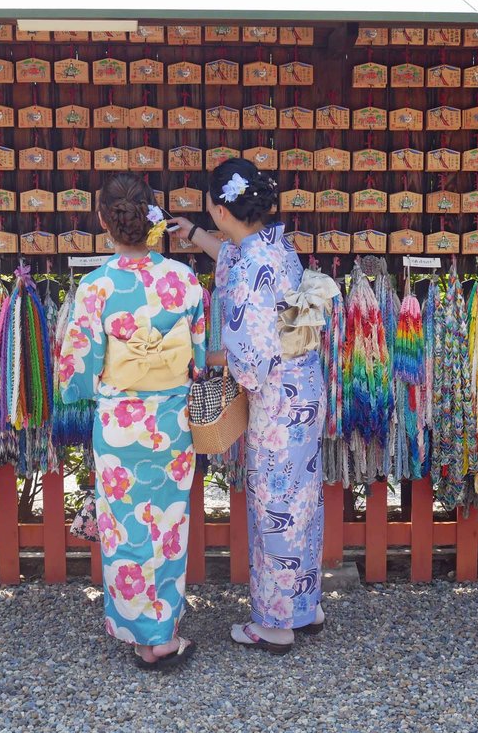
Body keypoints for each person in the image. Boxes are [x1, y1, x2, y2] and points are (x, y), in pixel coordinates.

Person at [171, 158, 338, 654]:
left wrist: (202, 353)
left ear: (222, 210)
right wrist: (197, 234)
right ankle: (305, 605)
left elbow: (249, 364)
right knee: (302, 500)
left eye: (210, 215)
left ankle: (275, 624)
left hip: (277, 401)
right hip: (305, 386)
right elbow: (231, 258)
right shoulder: (276, 246)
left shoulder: (247, 268)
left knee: (275, 506)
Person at [61, 173, 206, 670]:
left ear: (103, 221)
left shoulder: (96, 286)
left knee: (124, 527)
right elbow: (200, 358)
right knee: (168, 524)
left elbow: (77, 370)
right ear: (153, 219)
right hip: (171, 422)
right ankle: (162, 633)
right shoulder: (183, 280)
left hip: (121, 425)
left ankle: (143, 634)